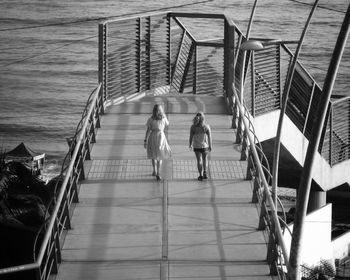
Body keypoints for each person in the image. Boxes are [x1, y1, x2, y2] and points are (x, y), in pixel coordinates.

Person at [144, 104, 171, 180]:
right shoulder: (163, 118)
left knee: (153, 154)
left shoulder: (151, 119)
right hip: (161, 136)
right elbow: (167, 124)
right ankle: (158, 172)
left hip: (152, 136)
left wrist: (145, 139)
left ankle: (154, 170)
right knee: (160, 154)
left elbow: (148, 130)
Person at [189, 112, 212, 181]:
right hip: (205, 146)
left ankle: (200, 175)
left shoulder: (193, 127)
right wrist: (210, 145)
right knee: (205, 159)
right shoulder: (206, 127)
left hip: (196, 146)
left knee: (199, 160)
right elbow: (209, 137)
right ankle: (205, 171)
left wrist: (190, 144)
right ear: (203, 118)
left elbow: (191, 137)